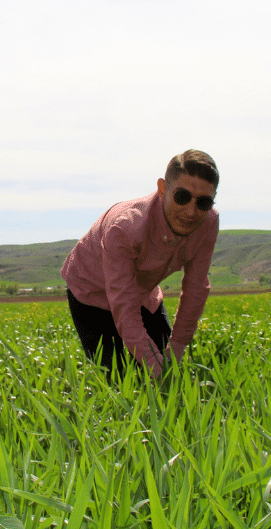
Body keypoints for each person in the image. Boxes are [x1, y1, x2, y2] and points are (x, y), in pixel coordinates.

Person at [61, 149, 219, 380]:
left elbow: (196, 288)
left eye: (203, 202)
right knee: (118, 379)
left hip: (142, 292)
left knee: (168, 365)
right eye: (182, 197)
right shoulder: (125, 227)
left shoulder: (208, 222)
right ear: (163, 189)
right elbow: (123, 303)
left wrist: (177, 348)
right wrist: (155, 369)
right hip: (91, 294)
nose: (191, 211)